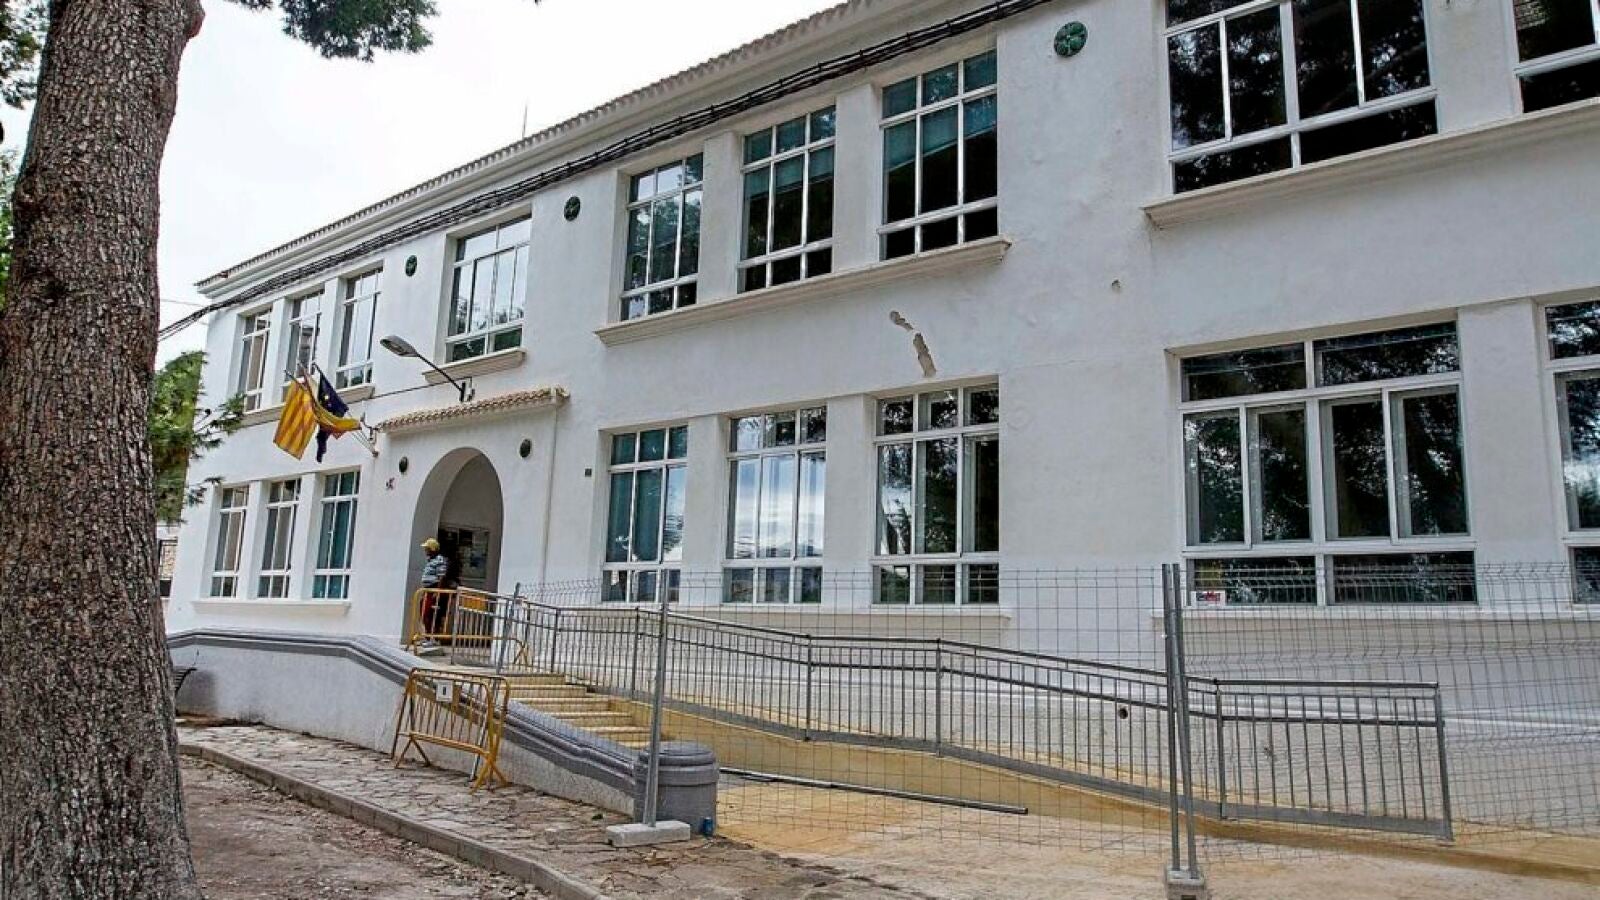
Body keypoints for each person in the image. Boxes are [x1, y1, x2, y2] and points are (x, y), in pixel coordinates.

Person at [415, 537, 450, 655]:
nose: (426, 551)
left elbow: (441, 577)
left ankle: (432, 638)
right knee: (424, 613)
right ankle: (427, 636)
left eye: (427, 548)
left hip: (433, 590)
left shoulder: (439, 560)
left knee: (430, 615)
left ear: (433, 549)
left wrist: (437, 592)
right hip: (427, 590)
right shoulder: (430, 560)